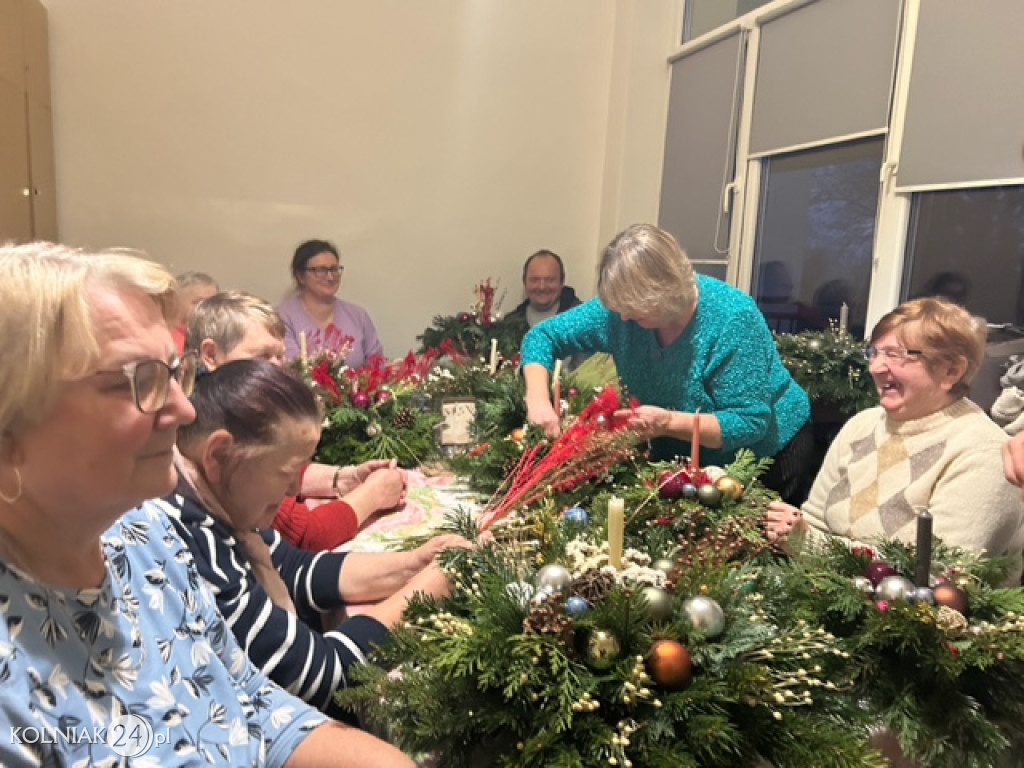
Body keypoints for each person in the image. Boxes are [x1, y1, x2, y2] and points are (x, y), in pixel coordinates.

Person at [0, 242, 415, 767]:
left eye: (175, 373)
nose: (181, 406)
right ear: (11, 428)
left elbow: (248, 701)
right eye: (140, 381)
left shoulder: (146, 533)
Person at [166, 359, 469, 718]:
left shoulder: (221, 506)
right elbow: (329, 681)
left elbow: (294, 568)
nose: (296, 487)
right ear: (218, 455)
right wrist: (426, 590)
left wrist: (413, 564)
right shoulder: (198, 546)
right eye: (287, 472)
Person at [521, 223, 812, 502]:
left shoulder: (732, 318)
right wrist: (537, 399)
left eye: (634, 309)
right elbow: (542, 336)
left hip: (767, 456)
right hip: (681, 459)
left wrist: (669, 422)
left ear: (667, 291)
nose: (623, 318)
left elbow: (749, 422)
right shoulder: (620, 310)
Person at [765, 297, 1024, 585]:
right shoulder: (862, 425)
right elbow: (814, 522)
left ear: (952, 371)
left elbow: (939, 576)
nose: (876, 367)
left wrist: (810, 543)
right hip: (827, 598)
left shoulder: (982, 451)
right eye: (874, 353)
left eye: (896, 355)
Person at [188, 290, 407, 550]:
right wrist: (375, 494)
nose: (278, 368)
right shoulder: (219, 421)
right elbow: (306, 534)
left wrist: (342, 478)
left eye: (280, 356)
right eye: (262, 356)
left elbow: (280, 469)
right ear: (211, 355)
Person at [277, 239, 383, 368]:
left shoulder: (358, 315)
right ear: (300, 276)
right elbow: (290, 369)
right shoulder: (283, 317)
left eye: (334, 269)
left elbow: (377, 364)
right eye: (321, 270)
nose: (330, 277)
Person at [509, 249, 582, 327]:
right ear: (525, 282)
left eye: (550, 280)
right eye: (535, 280)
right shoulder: (509, 324)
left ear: (561, 282)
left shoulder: (582, 320)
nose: (542, 287)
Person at [171, 269, 219, 354]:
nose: (207, 309)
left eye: (212, 303)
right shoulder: (164, 340)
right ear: (176, 302)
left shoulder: (220, 338)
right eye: (199, 302)